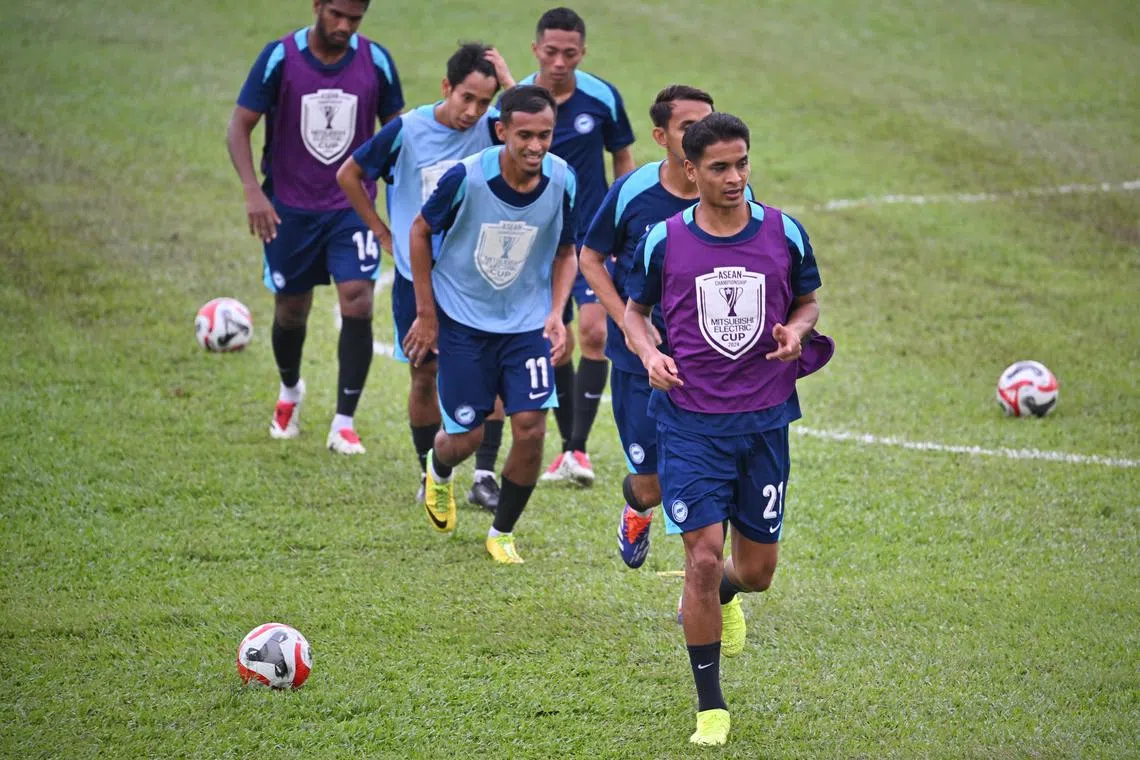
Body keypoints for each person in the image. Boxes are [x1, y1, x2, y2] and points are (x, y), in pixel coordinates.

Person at [623, 113, 834, 746]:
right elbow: (634, 313)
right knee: (703, 557)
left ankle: (723, 595)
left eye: (742, 163)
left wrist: (797, 332)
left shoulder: (783, 231)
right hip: (689, 424)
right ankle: (711, 707)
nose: (735, 176)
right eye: (720, 167)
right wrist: (649, 354)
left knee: (757, 571)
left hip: (765, 422)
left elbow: (808, 301)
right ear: (691, 170)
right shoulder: (664, 241)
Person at [402, 85, 578, 564]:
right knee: (467, 437)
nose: (536, 146)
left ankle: (502, 532)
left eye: (545, 135)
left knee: (531, 428)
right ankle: (438, 470)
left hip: (526, 325)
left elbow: (566, 250)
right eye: (525, 135)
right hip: (463, 320)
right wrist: (426, 313)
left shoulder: (563, 179)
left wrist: (556, 312)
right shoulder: (466, 177)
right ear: (501, 131)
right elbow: (420, 230)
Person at [337, 43, 515, 510]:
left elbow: (535, 127)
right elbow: (350, 174)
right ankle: (428, 471)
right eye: (466, 98)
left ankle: (483, 476)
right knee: (424, 374)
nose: (473, 112)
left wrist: (509, 83)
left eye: (484, 102)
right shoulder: (407, 131)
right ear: (446, 87)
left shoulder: (494, 128)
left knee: (492, 376)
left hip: (478, 278)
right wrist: (381, 231)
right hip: (418, 279)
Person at [226, 0, 403, 455]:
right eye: (336, 14)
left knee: (358, 300)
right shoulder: (280, 57)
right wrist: (252, 192)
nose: (344, 25)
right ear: (317, 6)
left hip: (351, 207)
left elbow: (399, 134)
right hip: (289, 210)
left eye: (354, 18)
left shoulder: (376, 61)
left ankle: (344, 422)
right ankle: (290, 390)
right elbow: (239, 126)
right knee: (291, 310)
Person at [580, 85, 729, 569]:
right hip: (639, 360)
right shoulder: (633, 191)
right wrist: (627, 324)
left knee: (708, 474)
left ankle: (707, 584)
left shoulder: (731, 194)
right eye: (689, 126)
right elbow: (591, 258)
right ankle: (637, 509)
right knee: (651, 485)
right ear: (661, 136)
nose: (703, 134)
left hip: (705, 357)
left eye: (709, 123)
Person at [518, 7, 635, 486]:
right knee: (556, 341)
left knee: (594, 333)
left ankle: (577, 449)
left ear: (583, 52)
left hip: (590, 237)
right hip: (536, 241)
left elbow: (622, 155)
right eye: (551, 52)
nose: (559, 61)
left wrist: (624, 216)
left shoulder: (602, 97)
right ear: (536, 50)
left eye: (570, 53)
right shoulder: (519, 100)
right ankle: (566, 445)